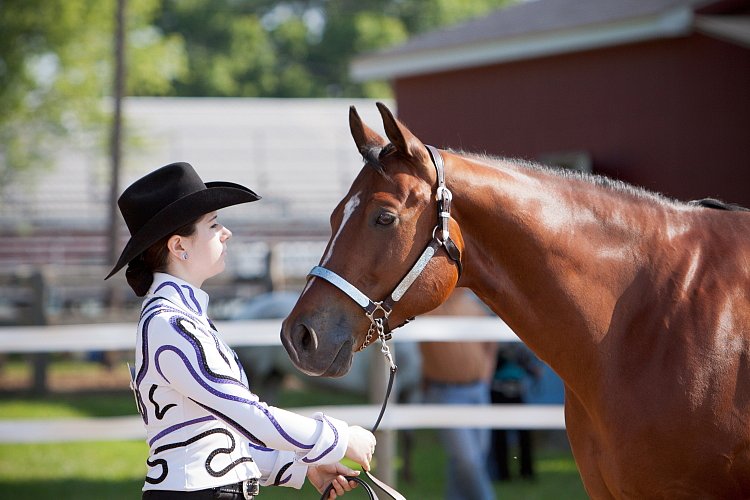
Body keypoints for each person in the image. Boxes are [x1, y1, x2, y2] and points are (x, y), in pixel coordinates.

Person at [105, 162, 375, 499]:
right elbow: (246, 414)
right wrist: (338, 438)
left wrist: (303, 467)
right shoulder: (170, 324)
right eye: (213, 224)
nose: (225, 232)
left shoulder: (180, 318)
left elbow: (215, 437)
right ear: (179, 247)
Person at [419, 290, 498, 500]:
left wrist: (486, 373)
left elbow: (492, 339)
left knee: (470, 461)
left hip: (478, 391)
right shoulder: (428, 308)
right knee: (468, 461)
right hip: (446, 394)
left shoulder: (473, 304)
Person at [488, 343, 541, 482]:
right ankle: (502, 474)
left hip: (517, 391)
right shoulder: (493, 343)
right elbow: (490, 366)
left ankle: (527, 472)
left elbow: (528, 365)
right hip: (498, 391)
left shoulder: (518, 345)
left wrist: (532, 369)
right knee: (500, 436)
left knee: (524, 435)